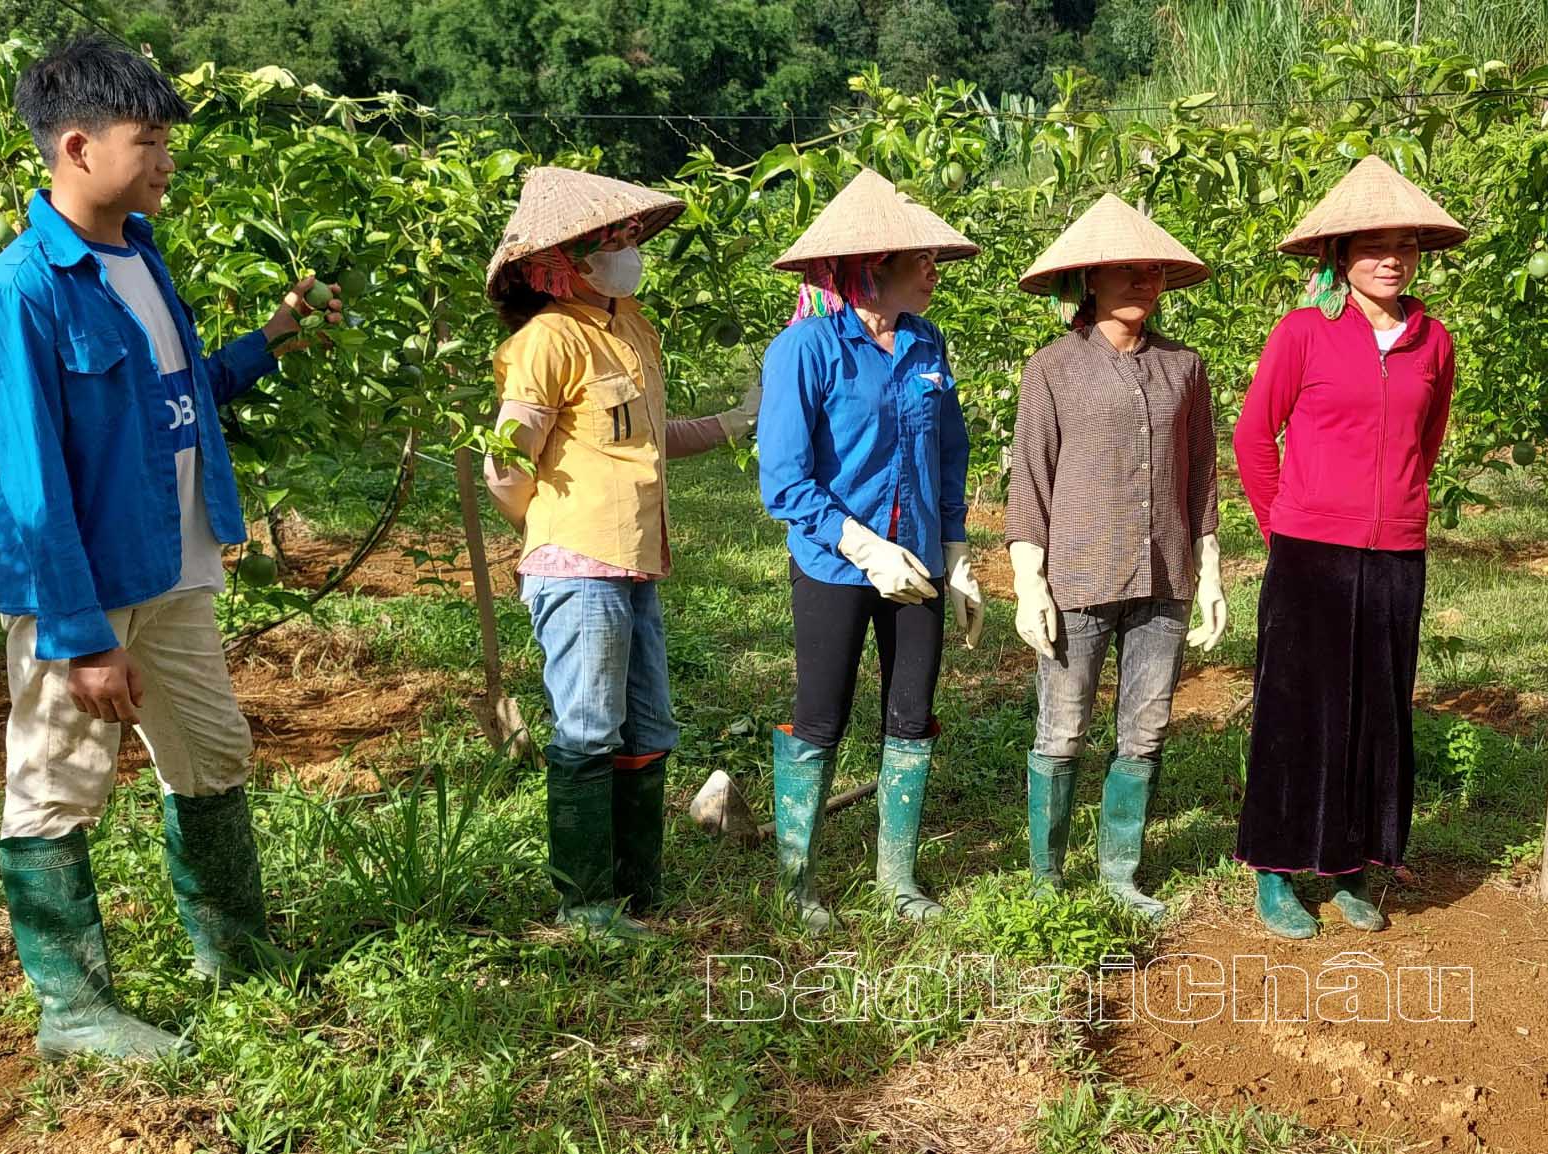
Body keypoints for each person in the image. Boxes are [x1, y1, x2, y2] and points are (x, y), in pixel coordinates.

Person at [0, 37, 340, 1059]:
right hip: (80, 588)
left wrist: (266, 342)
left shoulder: (142, 259)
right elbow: (35, 484)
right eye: (150, 139)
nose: (168, 158)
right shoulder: (23, 291)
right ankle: (73, 1009)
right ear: (78, 147)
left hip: (175, 565)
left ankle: (236, 951)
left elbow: (172, 406)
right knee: (56, 784)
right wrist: (79, 637)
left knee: (211, 755)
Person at [482, 167, 755, 938]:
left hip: (636, 560)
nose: (626, 249)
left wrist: (737, 419)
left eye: (628, 236)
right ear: (555, 264)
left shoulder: (631, 327)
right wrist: (548, 530)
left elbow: (646, 438)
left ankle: (639, 891)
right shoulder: (547, 340)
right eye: (608, 240)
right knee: (588, 729)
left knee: (647, 726)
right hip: (579, 566)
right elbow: (508, 464)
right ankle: (585, 903)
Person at [1232, 156, 1466, 939]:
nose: (1390, 258)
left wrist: (1394, 509)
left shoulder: (1434, 342)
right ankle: (1275, 868)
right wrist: (1284, 526)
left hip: (1396, 552)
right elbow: (1253, 436)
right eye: (1372, 245)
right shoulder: (1304, 332)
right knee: (1297, 710)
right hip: (1308, 552)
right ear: (1340, 256)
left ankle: (1348, 868)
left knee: (1375, 708)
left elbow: (1423, 446)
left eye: (1403, 244)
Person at [756, 170, 985, 930]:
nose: (933, 270)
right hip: (833, 560)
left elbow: (948, 450)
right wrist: (860, 544)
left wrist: (954, 550)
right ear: (870, 266)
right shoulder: (804, 350)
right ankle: (797, 883)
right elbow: (785, 482)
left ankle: (897, 878)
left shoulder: (926, 342)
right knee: (822, 715)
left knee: (912, 713)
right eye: (919, 258)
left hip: (915, 557)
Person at [1006, 195, 1227, 922]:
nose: (1144, 280)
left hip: (1163, 575)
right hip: (1077, 575)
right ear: (1090, 280)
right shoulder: (1053, 369)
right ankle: (1044, 877)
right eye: (1126, 270)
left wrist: (1210, 570)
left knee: (1147, 726)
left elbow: (1200, 474)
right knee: (1062, 729)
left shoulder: (1184, 368)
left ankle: (1120, 872)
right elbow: (1030, 478)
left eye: (1154, 270)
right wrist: (1028, 582)